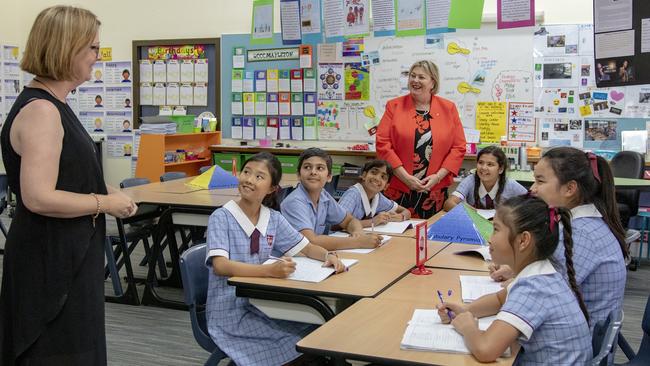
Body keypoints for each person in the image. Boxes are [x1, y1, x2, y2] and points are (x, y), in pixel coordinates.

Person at [0, 6, 137, 365]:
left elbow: (73, 172)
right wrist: (104, 204)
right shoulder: (42, 111)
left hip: (71, 253)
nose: (97, 56)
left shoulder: (57, 103)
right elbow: (38, 196)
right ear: (66, 48)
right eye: (92, 48)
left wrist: (109, 192)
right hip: (50, 259)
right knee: (58, 352)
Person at [206, 152, 345, 366]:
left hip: (262, 300)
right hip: (231, 309)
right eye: (246, 172)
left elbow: (306, 248)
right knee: (297, 343)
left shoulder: (272, 218)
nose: (249, 180)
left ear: (272, 188)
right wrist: (268, 271)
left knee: (317, 330)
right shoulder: (221, 217)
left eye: (259, 176)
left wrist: (328, 256)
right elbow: (220, 266)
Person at [437, 196, 592, 363]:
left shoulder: (534, 288)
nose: (489, 238)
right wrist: (465, 310)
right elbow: (498, 300)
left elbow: (486, 350)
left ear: (523, 240)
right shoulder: (540, 274)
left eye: (495, 229)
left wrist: (469, 329)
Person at [490, 147, 628, 327]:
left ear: (570, 188)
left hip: (575, 342)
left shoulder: (581, 235)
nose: (533, 189)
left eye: (540, 181)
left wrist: (517, 281)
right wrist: (515, 271)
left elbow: (543, 294)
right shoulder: (580, 223)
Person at [376, 60, 466, 219]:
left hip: (434, 191)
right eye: (412, 76)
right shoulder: (394, 106)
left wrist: (438, 177)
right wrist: (405, 177)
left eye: (421, 77)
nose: (415, 80)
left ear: (433, 82)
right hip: (399, 188)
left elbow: (458, 147)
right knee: (397, 237)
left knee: (432, 238)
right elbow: (383, 144)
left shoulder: (448, 108)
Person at [281, 148, 383, 250]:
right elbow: (310, 241)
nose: (313, 172)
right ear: (299, 175)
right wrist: (358, 242)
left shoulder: (323, 196)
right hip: (290, 260)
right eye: (307, 167)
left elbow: (349, 220)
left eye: (320, 168)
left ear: (329, 176)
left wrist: (358, 233)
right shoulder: (294, 201)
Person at [443, 146, 527, 211]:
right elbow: (448, 203)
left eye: (490, 164)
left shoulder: (510, 184)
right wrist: (467, 211)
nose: (483, 168)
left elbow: (532, 204)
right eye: (480, 163)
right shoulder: (470, 180)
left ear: (501, 169)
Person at [337, 159, 411, 228]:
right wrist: (372, 222)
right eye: (374, 172)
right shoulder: (353, 194)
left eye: (383, 177)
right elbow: (338, 223)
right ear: (364, 175)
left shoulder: (378, 198)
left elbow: (406, 211)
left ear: (386, 186)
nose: (377, 178)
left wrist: (401, 216)